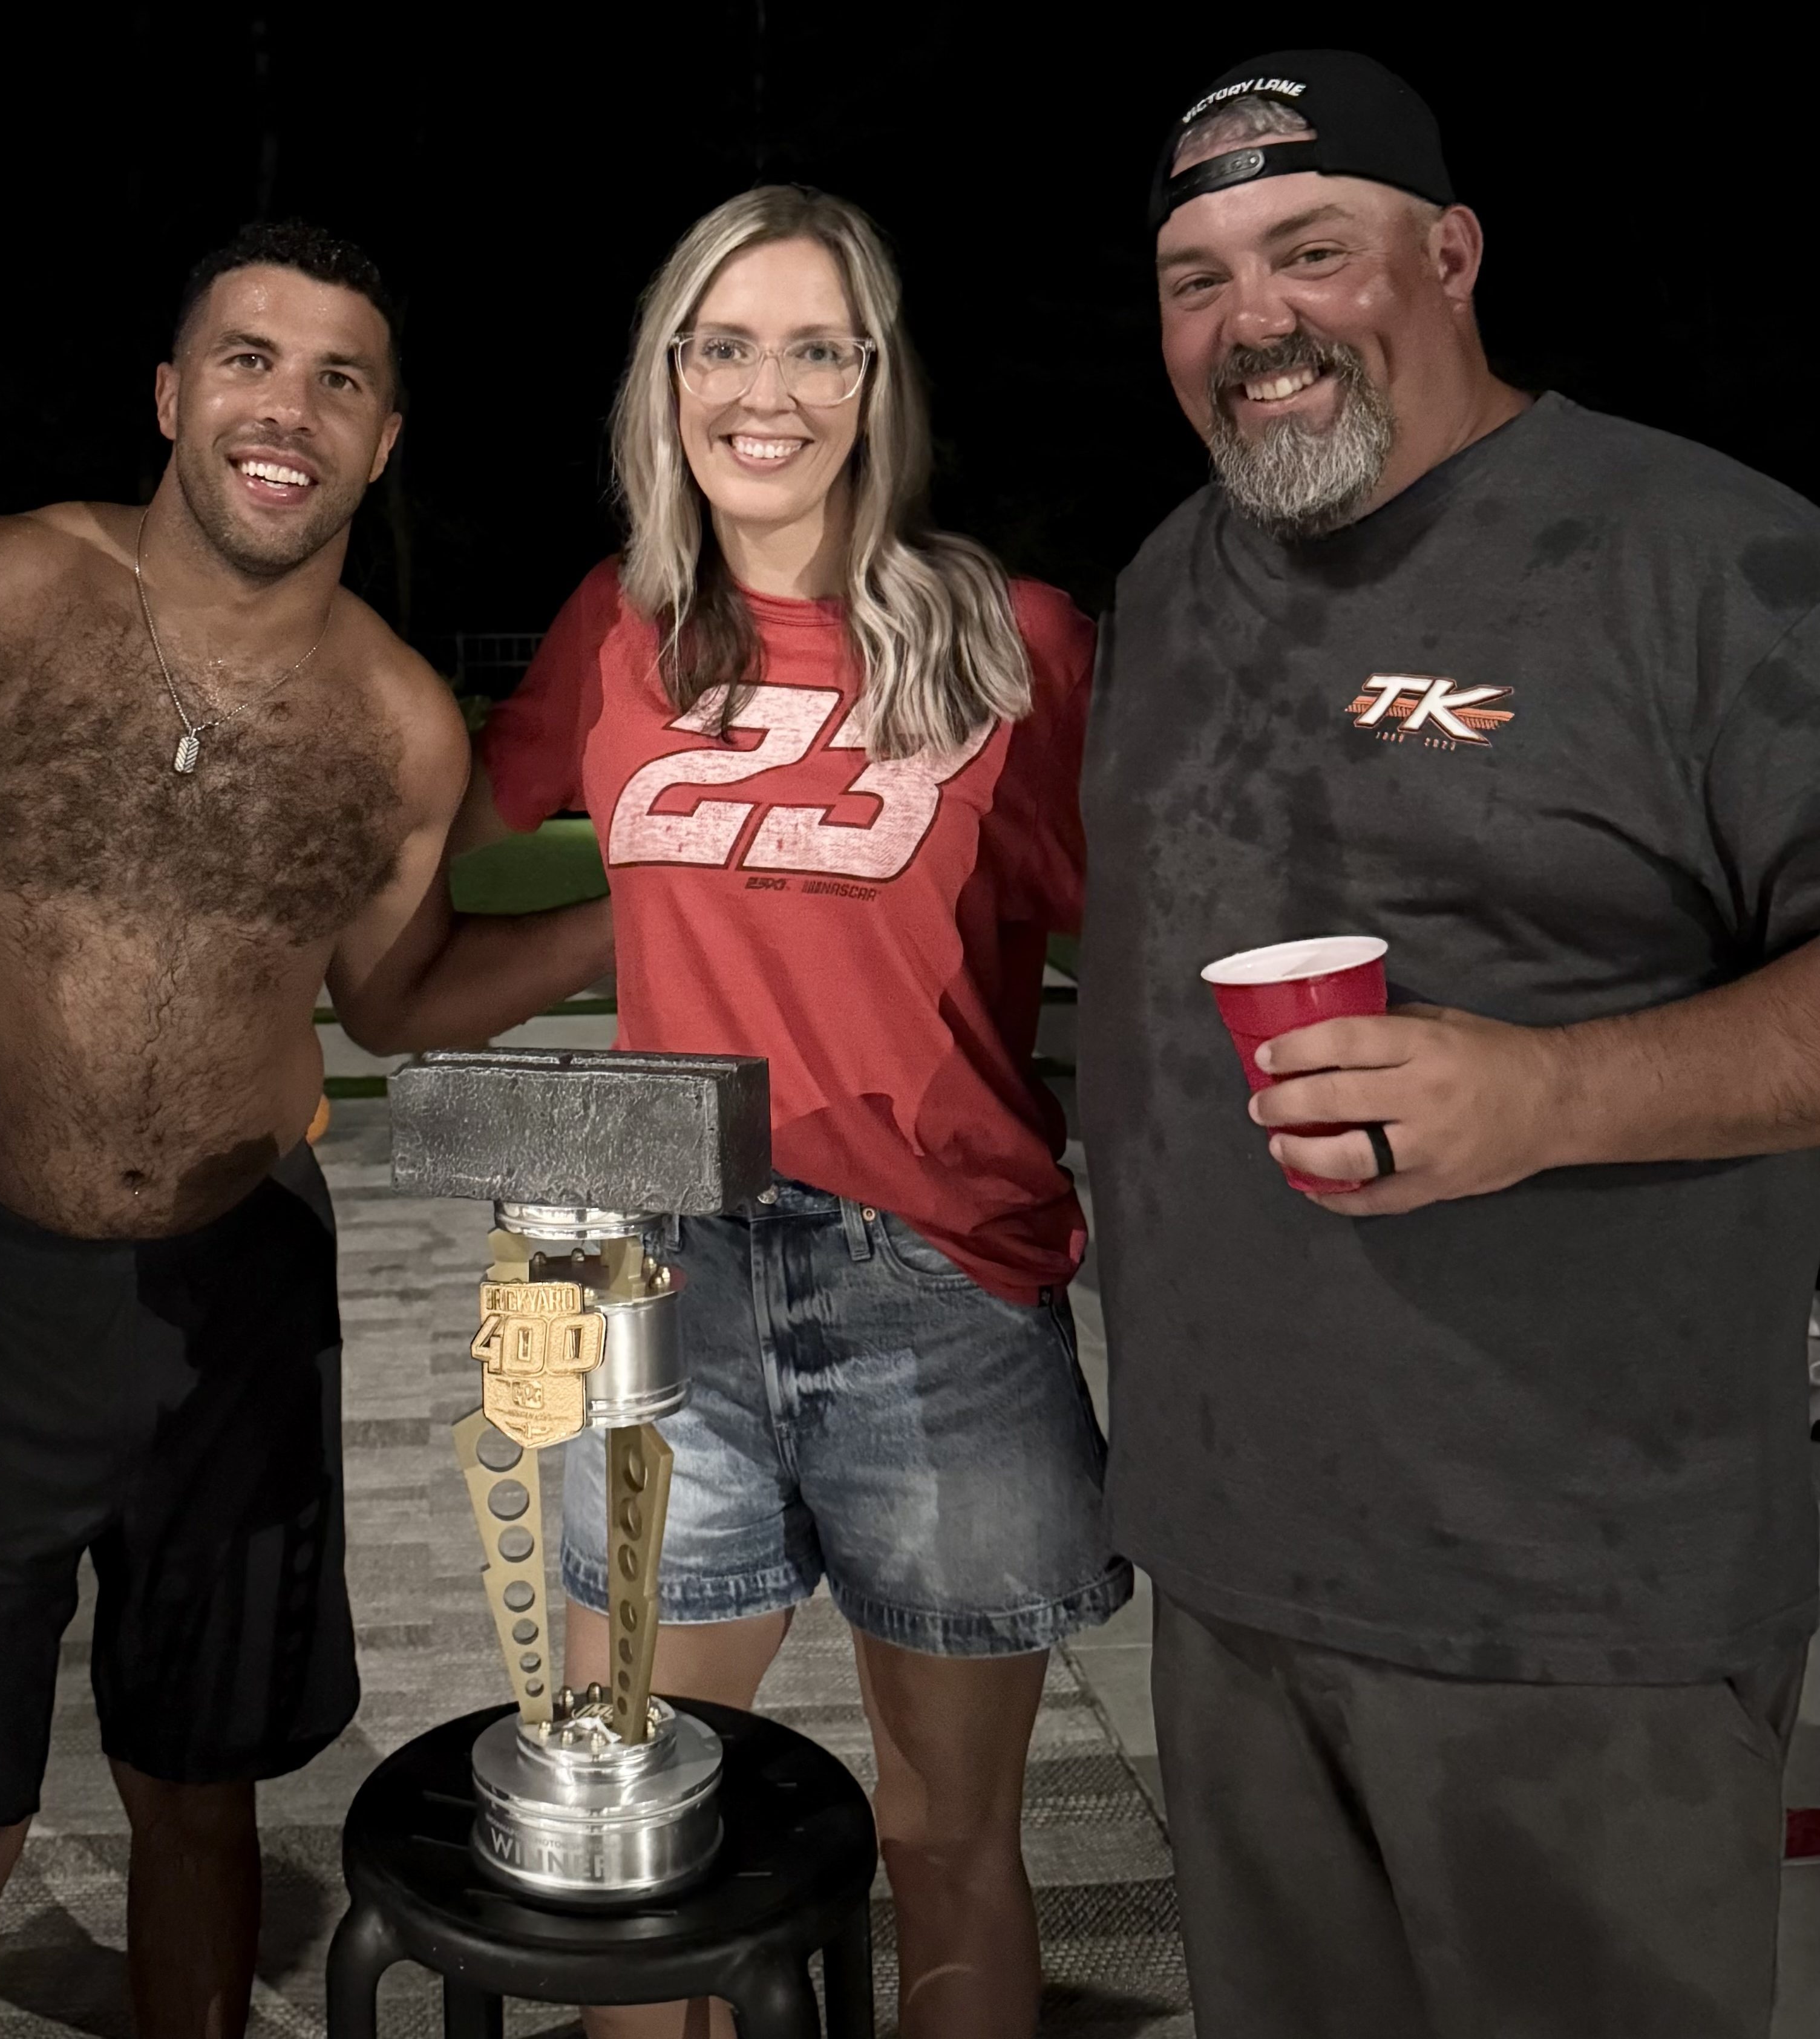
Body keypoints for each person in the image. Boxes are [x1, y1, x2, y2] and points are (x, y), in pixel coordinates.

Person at [1081, 48, 1820, 2037]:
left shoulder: (1702, 556)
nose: (1256, 320)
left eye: (1312, 251)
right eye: (1197, 279)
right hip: (1234, 1582)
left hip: (1575, 1601)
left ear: (1455, 256)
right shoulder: (1170, 580)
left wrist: (1551, 1093)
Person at [0, 219, 609, 2039]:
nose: (290, 408)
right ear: (172, 394)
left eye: (340, 379)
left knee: (202, 1795)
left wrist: (641, 902)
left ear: (383, 440)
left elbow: (395, 1001)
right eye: (250, 360)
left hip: (238, 1292)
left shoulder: (398, 722)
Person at [465, 186, 1124, 2039]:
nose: (768, 391)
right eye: (726, 345)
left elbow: (1155, 960)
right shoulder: (615, 627)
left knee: (947, 1840)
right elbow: (421, 885)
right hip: (662, 1282)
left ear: (876, 380)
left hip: (940, 1286)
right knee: (639, 1847)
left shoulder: (1013, 638)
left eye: (817, 348)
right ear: (667, 374)